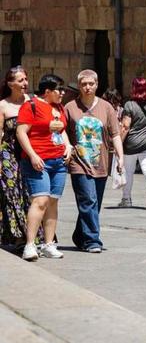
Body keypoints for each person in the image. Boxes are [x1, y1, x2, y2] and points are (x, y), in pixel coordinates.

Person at [65, 70, 124, 253]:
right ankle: (92, 241)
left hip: (101, 162)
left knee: (93, 203)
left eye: (91, 84)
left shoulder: (106, 108)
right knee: (88, 200)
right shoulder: (70, 107)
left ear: (97, 85)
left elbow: (115, 134)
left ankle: (79, 235)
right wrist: (67, 146)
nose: (88, 87)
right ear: (79, 86)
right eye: (84, 84)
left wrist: (120, 158)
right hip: (79, 162)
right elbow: (62, 132)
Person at [16, 74, 73, 261]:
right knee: (40, 201)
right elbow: (21, 132)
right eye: (59, 90)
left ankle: (49, 244)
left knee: (53, 202)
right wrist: (32, 155)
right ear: (47, 91)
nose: (63, 93)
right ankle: (30, 245)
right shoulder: (30, 106)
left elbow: (61, 130)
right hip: (38, 161)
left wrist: (68, 146)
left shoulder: (59, 107)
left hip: (58, 162)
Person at [0, 66, 43, 249]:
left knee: (29, 193)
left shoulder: (32, 102)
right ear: (10, 84)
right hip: (8, 153)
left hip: (29, 152)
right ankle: (17, 234)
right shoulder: (3, 105)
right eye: (20, 80)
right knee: (11, 193)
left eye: (25, 79)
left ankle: (31, 235)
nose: (25, 83)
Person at [120, 77, 146, 210]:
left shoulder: (129, 105)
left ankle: (126, 199)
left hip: (132, 142)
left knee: (128, 171)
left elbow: (126, 126)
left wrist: (118, 143)